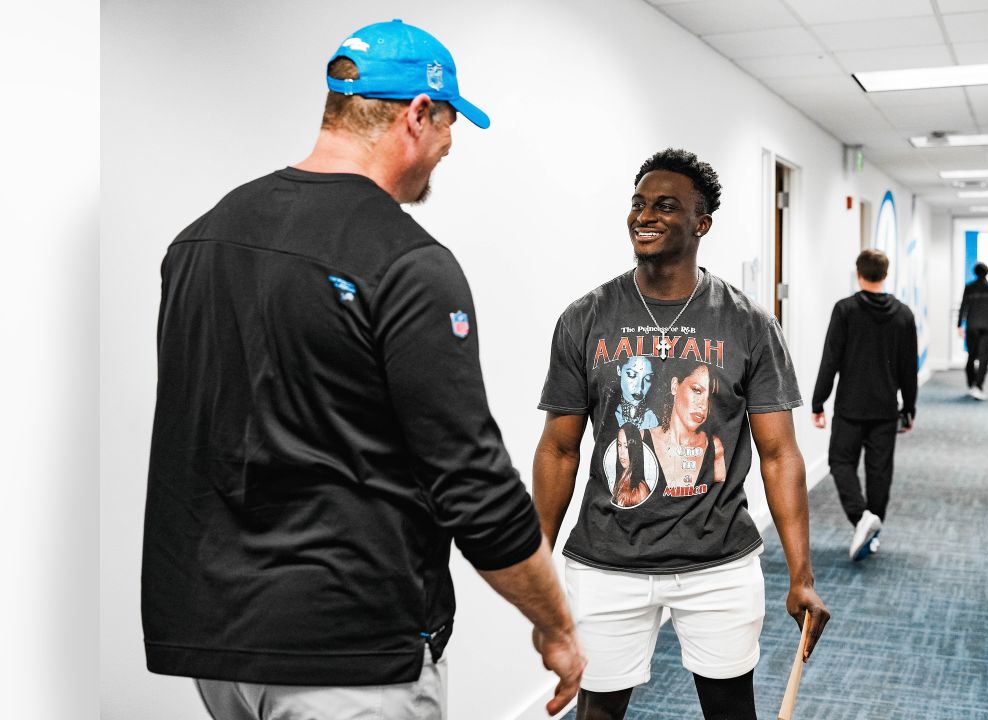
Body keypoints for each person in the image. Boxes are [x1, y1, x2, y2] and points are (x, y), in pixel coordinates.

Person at [141, 20, 585, 719]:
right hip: (349, 658)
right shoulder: (408, 263)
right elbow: (472, 482)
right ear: (416, 113)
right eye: (448, 126)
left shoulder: (198, 241)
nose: (447, 148)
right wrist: (557, 626)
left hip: (219, 648)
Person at [533, 148, 830, 720]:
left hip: (718, 563)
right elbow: (559, 447)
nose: (644, 215)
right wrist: (536, 558)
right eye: (639, 203)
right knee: (597, 712)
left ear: (702, 223)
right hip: (607, 560)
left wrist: (802, 575)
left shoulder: (748, 324)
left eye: (665, 206)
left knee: (730, 711)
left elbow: (778, 454)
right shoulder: (585, 317)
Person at [812, 249, 920, 562]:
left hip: (850, 406)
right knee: (879, 472)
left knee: (840, 462)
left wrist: (819, 401)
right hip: (886, 408)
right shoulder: (904, 315)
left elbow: (830, 358)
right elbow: (907, 369)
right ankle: (872, 532)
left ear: (858, 273)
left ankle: (861, 519)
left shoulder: (845, 310)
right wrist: (909, 408)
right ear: (886, 274)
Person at [956, 261, 988, 399]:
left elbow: (963, 307)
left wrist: (959, 325)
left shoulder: (969, 288)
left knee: (971, 356)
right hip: (987, 327)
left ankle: (972, 384)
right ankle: (978, 386)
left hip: (972, 327)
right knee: (984, 358)